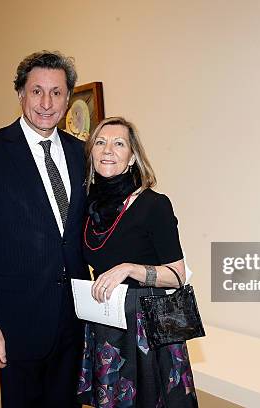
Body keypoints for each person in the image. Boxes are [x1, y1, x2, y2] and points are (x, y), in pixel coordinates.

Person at [0, 50, 89, 407]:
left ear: (68, 97)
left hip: (75, 319)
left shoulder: (82, 154)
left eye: (57, 92)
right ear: (20, 94)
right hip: (17, 321)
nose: (46, 103)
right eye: (36, 91)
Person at [77, 117, 199, 407]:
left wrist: (129, 269)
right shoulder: (87, 207)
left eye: (119, 144)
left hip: (150, 327)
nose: (108, 150)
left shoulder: (154, 204)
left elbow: (178, 275)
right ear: (91, 153)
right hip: (107, 322)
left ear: (132, 157)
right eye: (100, 143)